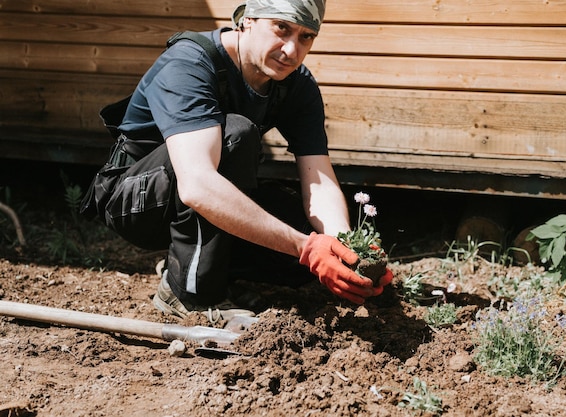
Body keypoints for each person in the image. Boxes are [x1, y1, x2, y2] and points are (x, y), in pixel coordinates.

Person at [83, 0, 393, 323]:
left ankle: (202, 266)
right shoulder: (190, 62)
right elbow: (197, 185)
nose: (291, 50)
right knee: (237, 135)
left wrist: (345, 250)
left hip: (195, 192)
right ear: (247, 20)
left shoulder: (296, 85)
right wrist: (306, 247)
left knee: (300, 247)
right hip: (133, 201)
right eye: (282, 28)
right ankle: (189, 294)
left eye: (306, 37)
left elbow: (319, 183)